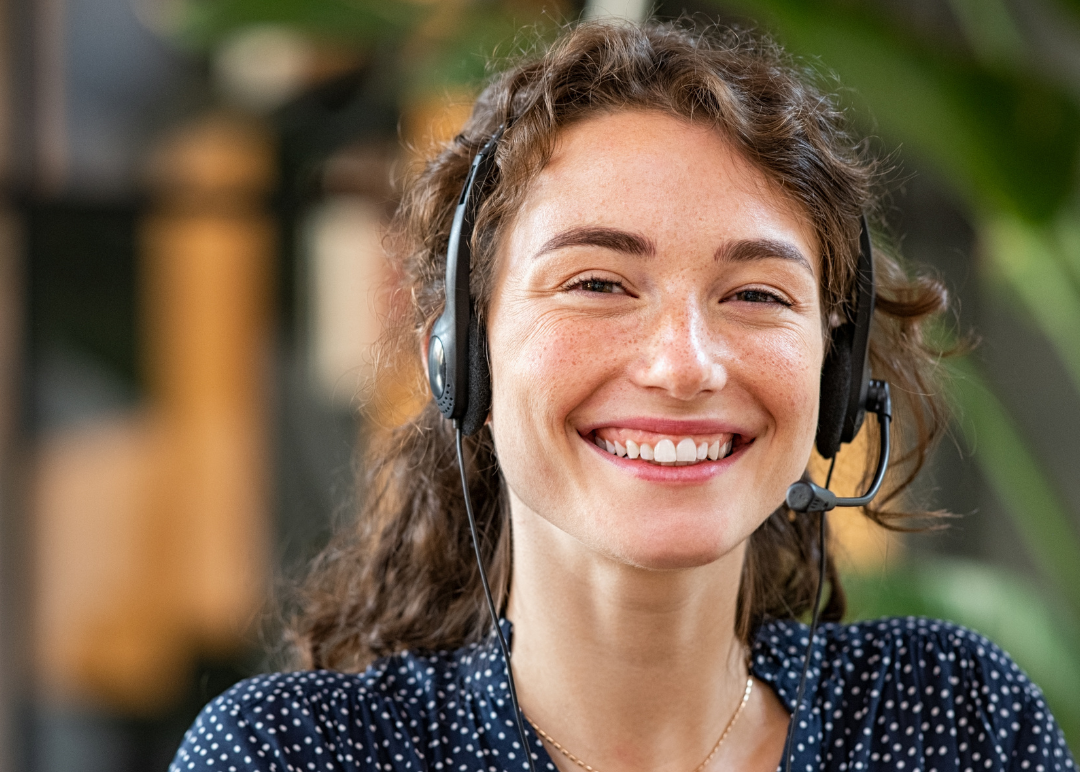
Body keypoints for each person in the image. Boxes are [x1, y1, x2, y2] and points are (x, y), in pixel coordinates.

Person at [171, 20, 1076, 772]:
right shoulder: (294, 754)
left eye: (756, 295)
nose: (684, 366)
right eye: (598, 283)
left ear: (833, 376)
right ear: (458, 360)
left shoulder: (953, 725)